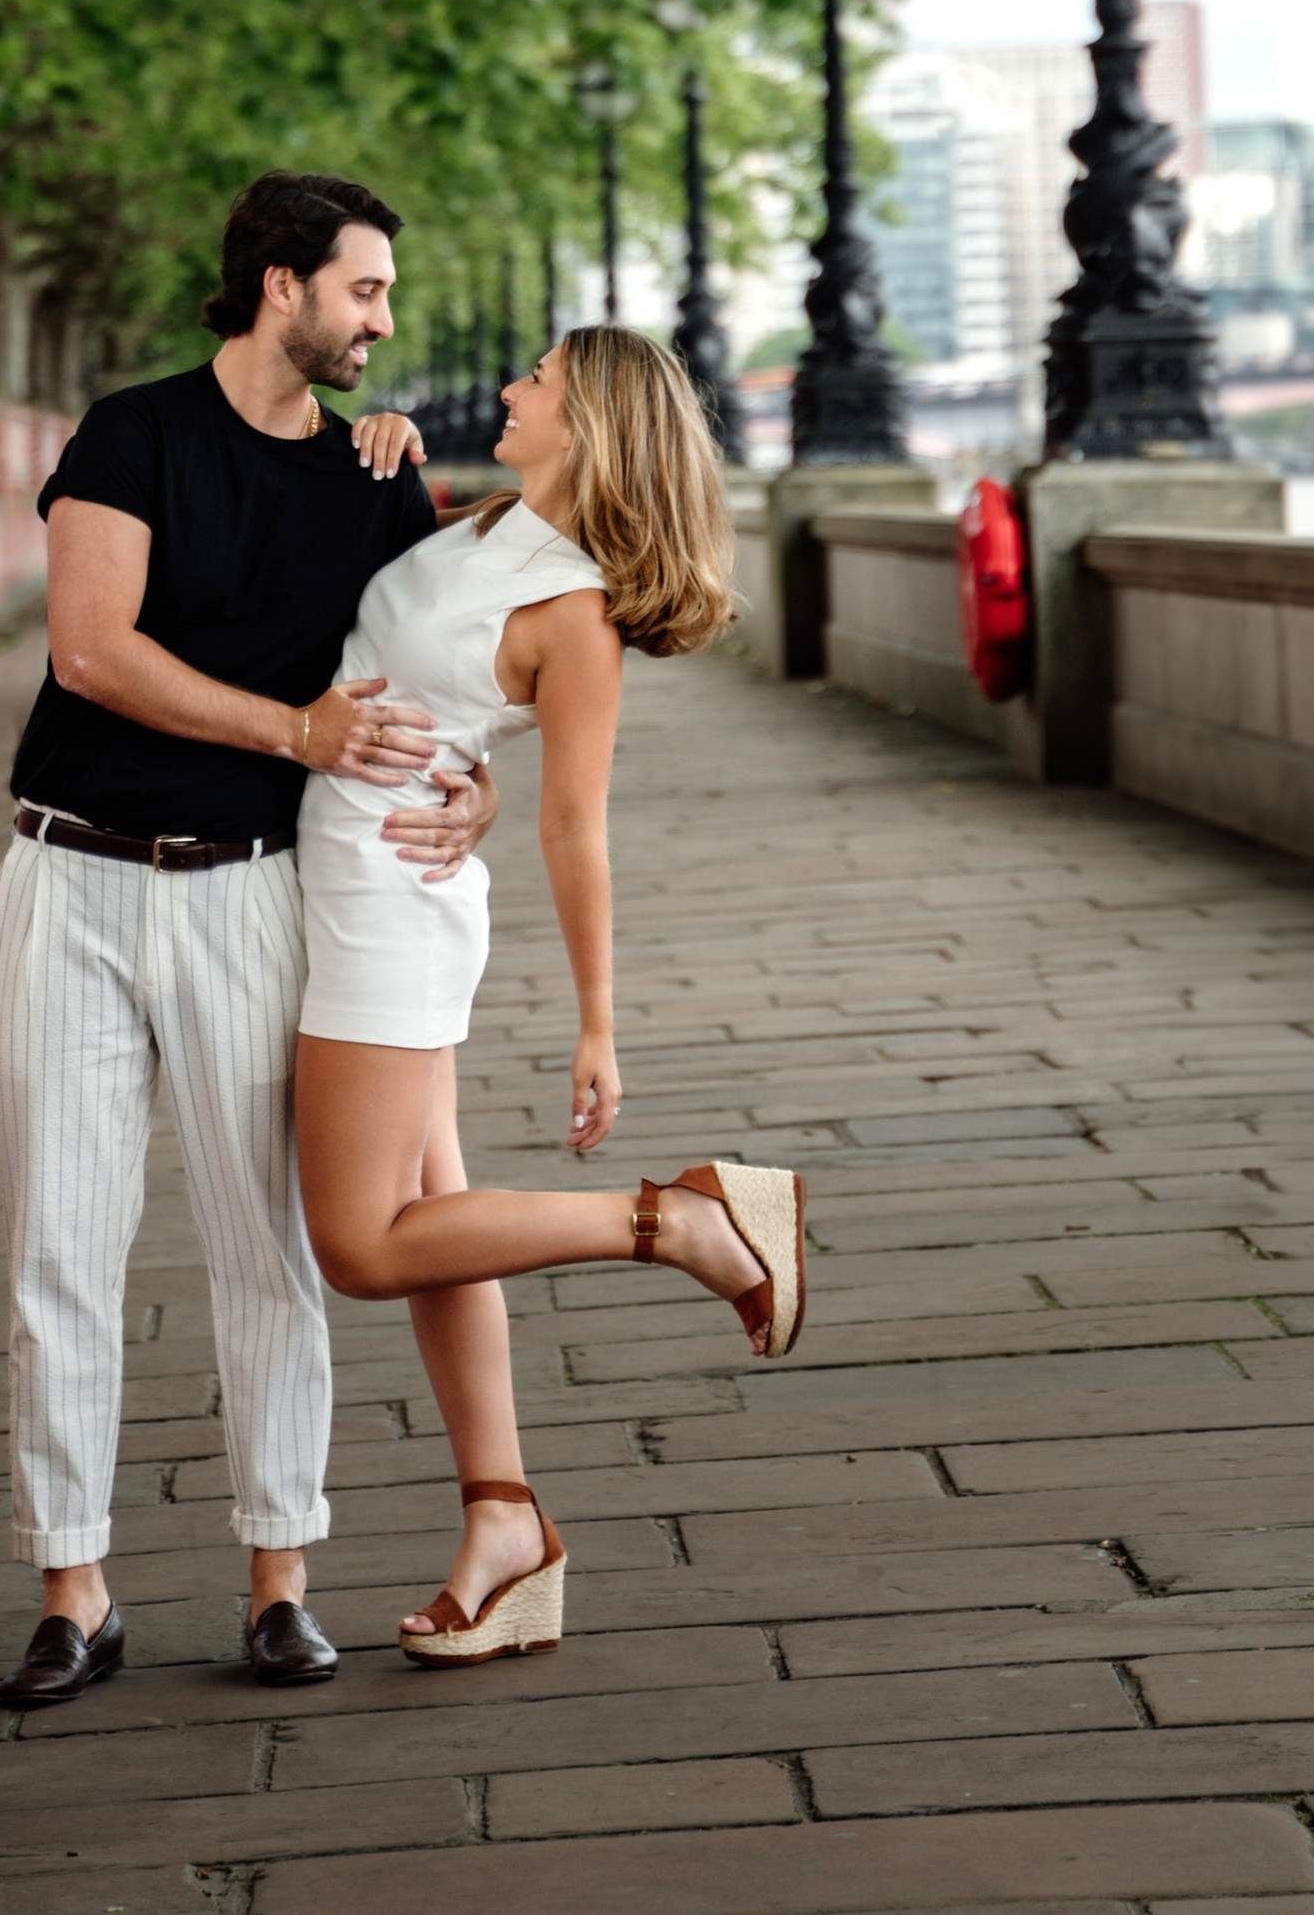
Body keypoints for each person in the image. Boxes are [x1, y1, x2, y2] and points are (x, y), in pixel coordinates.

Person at [0, 169, 479, 1709]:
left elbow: (440, 681)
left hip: (254, 890)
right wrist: (298, 730)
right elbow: (90, 647)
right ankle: (74, 1587)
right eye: (367, 290)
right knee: (60, 1246)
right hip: (67, 881)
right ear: (283, 285)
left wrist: (464, 788)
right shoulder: (131, 436)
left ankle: (281, 1577)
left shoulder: (380, 479)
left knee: (270, 1246)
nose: (383, 322)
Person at [293, 324, 806, 1668]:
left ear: (588, 419)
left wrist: (598, 1021)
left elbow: (579, 830)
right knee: (435, 1228)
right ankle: (505, 1528)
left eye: (535, 380)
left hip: (383, 910)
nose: (509, 389)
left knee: (360, 1246)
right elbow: (380, 643)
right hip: (346, 878)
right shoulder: (475, 523)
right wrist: (375, 444)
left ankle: (675, 1219)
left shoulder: (573, 613)